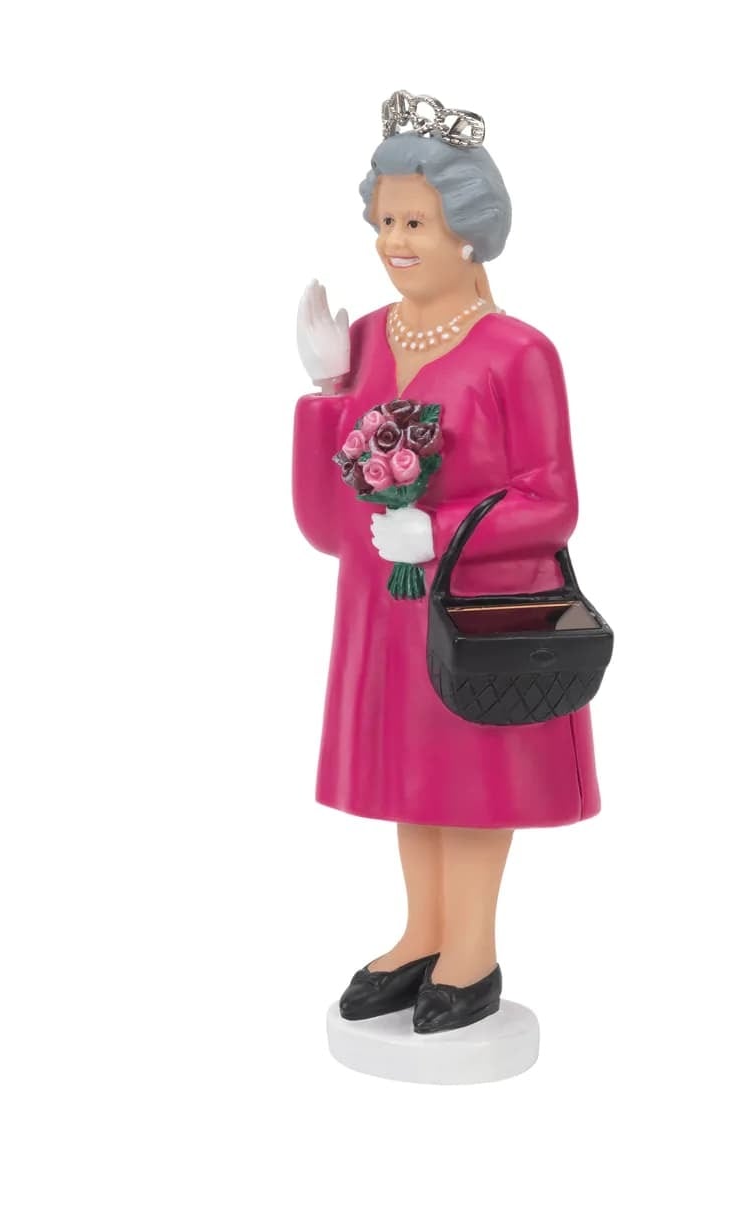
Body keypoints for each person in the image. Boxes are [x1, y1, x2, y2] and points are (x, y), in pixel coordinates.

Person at [291, 91, 600, 1035]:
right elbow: (325, 523)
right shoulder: (366, 341)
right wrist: (324, 393)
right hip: (383, 605)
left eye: (415, 222)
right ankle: (421, 932)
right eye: (385, 221)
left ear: (468, 230)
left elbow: (553, 500)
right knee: (410, 775)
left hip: (476, 607)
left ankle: (472, 950)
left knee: (470, 777)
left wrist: (445, 529)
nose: (394, 241)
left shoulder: (520, 353)